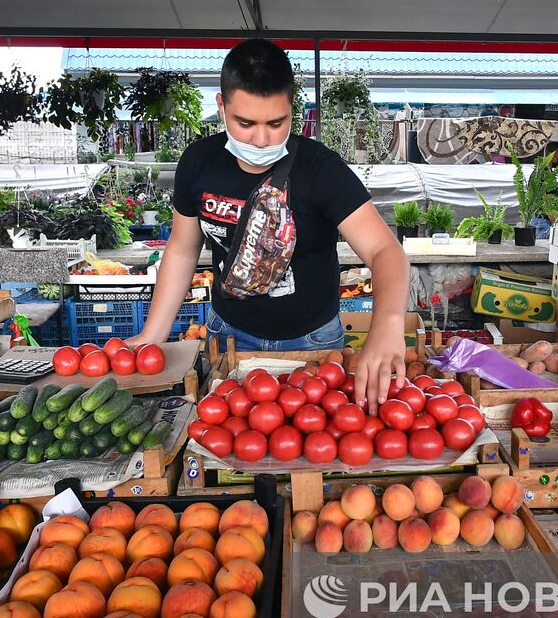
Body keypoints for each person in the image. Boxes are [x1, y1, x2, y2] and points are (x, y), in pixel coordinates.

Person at [129, 38, 411, 411]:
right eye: (244, 123)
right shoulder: (199, 163)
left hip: (313, 344)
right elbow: (182, 249)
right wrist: (152, 336)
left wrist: (388, 323)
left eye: (276, 123)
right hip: (227, 335)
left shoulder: (320, 169)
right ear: (221, 106)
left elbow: (383, 250)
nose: (261, 140)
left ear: (293, 110)